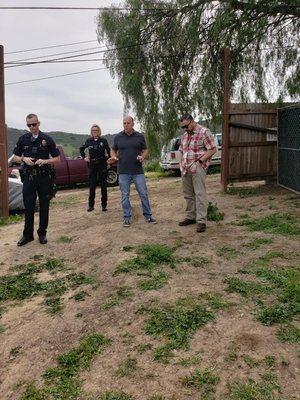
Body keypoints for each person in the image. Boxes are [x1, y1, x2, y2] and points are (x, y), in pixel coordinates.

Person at [13, 113, 60, 246]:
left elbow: (57, 159)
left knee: (44, 206)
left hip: (44, 177)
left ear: (39, 123)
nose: (32, 127)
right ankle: (27, 235)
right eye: (29, 125)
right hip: (29, 178)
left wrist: (45, 161)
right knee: (28, 207)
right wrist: (24, 159)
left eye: (34, 124)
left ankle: (42, 233)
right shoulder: (23, 139)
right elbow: (15, 157)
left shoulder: (47, 139)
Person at [107, 116, 156, 227]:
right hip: (123, 171)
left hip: (137, 171)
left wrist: (143, 156)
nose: (126, 125)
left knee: (143, 194)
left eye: (128, 123)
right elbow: (113, 149)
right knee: (125, 195)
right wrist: (113, 156)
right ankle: (127, 218)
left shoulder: (139, 136)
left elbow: (146, 149)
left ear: (133, 124)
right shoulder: (118, 137)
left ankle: (148, 216)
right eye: (124, 123)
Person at [178, 113, 217, 233]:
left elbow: (213, 149)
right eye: (182, 127)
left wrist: (200, 161)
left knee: (199, 194)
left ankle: (201, 221)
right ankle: (191, 217)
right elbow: (181, 150)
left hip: (198, 167)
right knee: (188, 194)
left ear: (192, 121)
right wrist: (181, 163)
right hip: (185, 168)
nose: (184, 129)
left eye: (186, 126)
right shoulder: (185, 135)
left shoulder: (204, 132)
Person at [80, 124, 110, 212]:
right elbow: (81, 149)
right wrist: (84, 157)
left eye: (96, 130)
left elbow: (109, 151)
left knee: (103, 186)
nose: (94, 132)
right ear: (91, 132)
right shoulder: (88, 141)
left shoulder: (103, 141)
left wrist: (108, 160)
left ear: (99, 131)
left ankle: (104, 205)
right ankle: (91, 205)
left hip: (102, 164)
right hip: (92, 165)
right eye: (93, 130)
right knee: (92, 186)